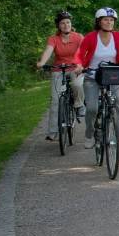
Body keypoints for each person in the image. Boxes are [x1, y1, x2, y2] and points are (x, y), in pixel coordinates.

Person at [76, 7, 119, 148]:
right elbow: (80, 54)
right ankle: (89, 134)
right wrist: (79, 66)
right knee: (92, 108)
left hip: (112, 75)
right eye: (106, 19)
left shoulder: (118, 36)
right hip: (92, 76)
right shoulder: (91, 37)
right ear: (99, 22)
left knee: (117, 101)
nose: (109, 22)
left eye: (111, 20)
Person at [34, 11, 84, 141]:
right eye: (62, 23)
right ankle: (53, 132)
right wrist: (41, 63)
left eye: (68, 22)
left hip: (75, 68)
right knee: (56, 100)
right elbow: (48, 51)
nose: (65, 25)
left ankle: (79, 105)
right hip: (59, 69)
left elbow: (83, 53)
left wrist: (80, 65)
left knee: (77, 84)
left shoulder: (78, 37)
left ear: (71, 23)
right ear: (58, 25)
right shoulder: (53, 39)